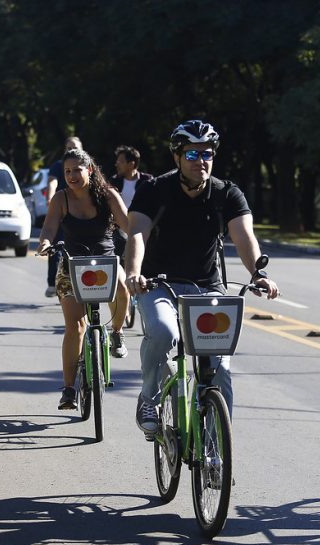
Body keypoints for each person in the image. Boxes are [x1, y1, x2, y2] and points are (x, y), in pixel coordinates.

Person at [125, 120, 280, 435]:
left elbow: (244, 237)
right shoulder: (154, 191)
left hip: (207, 288)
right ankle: (149, 397)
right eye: (192, 155)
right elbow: (137, 234)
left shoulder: (227, 193)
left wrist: (258, 273)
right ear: (177, 158)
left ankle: (215, 456)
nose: (201, 161)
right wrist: (133, 273)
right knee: (164, 331)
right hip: (158, 285)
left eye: (207, 154)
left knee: (220, 370)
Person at [37, 148, 130, 410]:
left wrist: (144, 239)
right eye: (67, 171)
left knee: (123, 287)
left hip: (105, 263)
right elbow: (49, 228)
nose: (72, 175)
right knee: (75, 327)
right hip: (71, 266)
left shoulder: (108, 195)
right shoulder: (61, 199)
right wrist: (44, 243)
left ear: (89, 170)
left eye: (77, 169)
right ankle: (68, 389)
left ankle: (117, 332)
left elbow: (127, 225)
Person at [44, 136, 82, 297]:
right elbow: (52, 182)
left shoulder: (86, 167)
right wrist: (50, 199)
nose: (72, 150)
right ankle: (53, 282)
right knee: (56, 247)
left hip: (81, 212)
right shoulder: (58, 166)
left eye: (75, 147)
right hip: (62, 211)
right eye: (69, 148)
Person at [110, 145, 152, 258]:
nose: (116, 164)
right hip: (119, 231)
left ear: (131, 164)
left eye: (121, 161)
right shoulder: (114, 182)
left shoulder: (148, 182)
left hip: (142, 230)